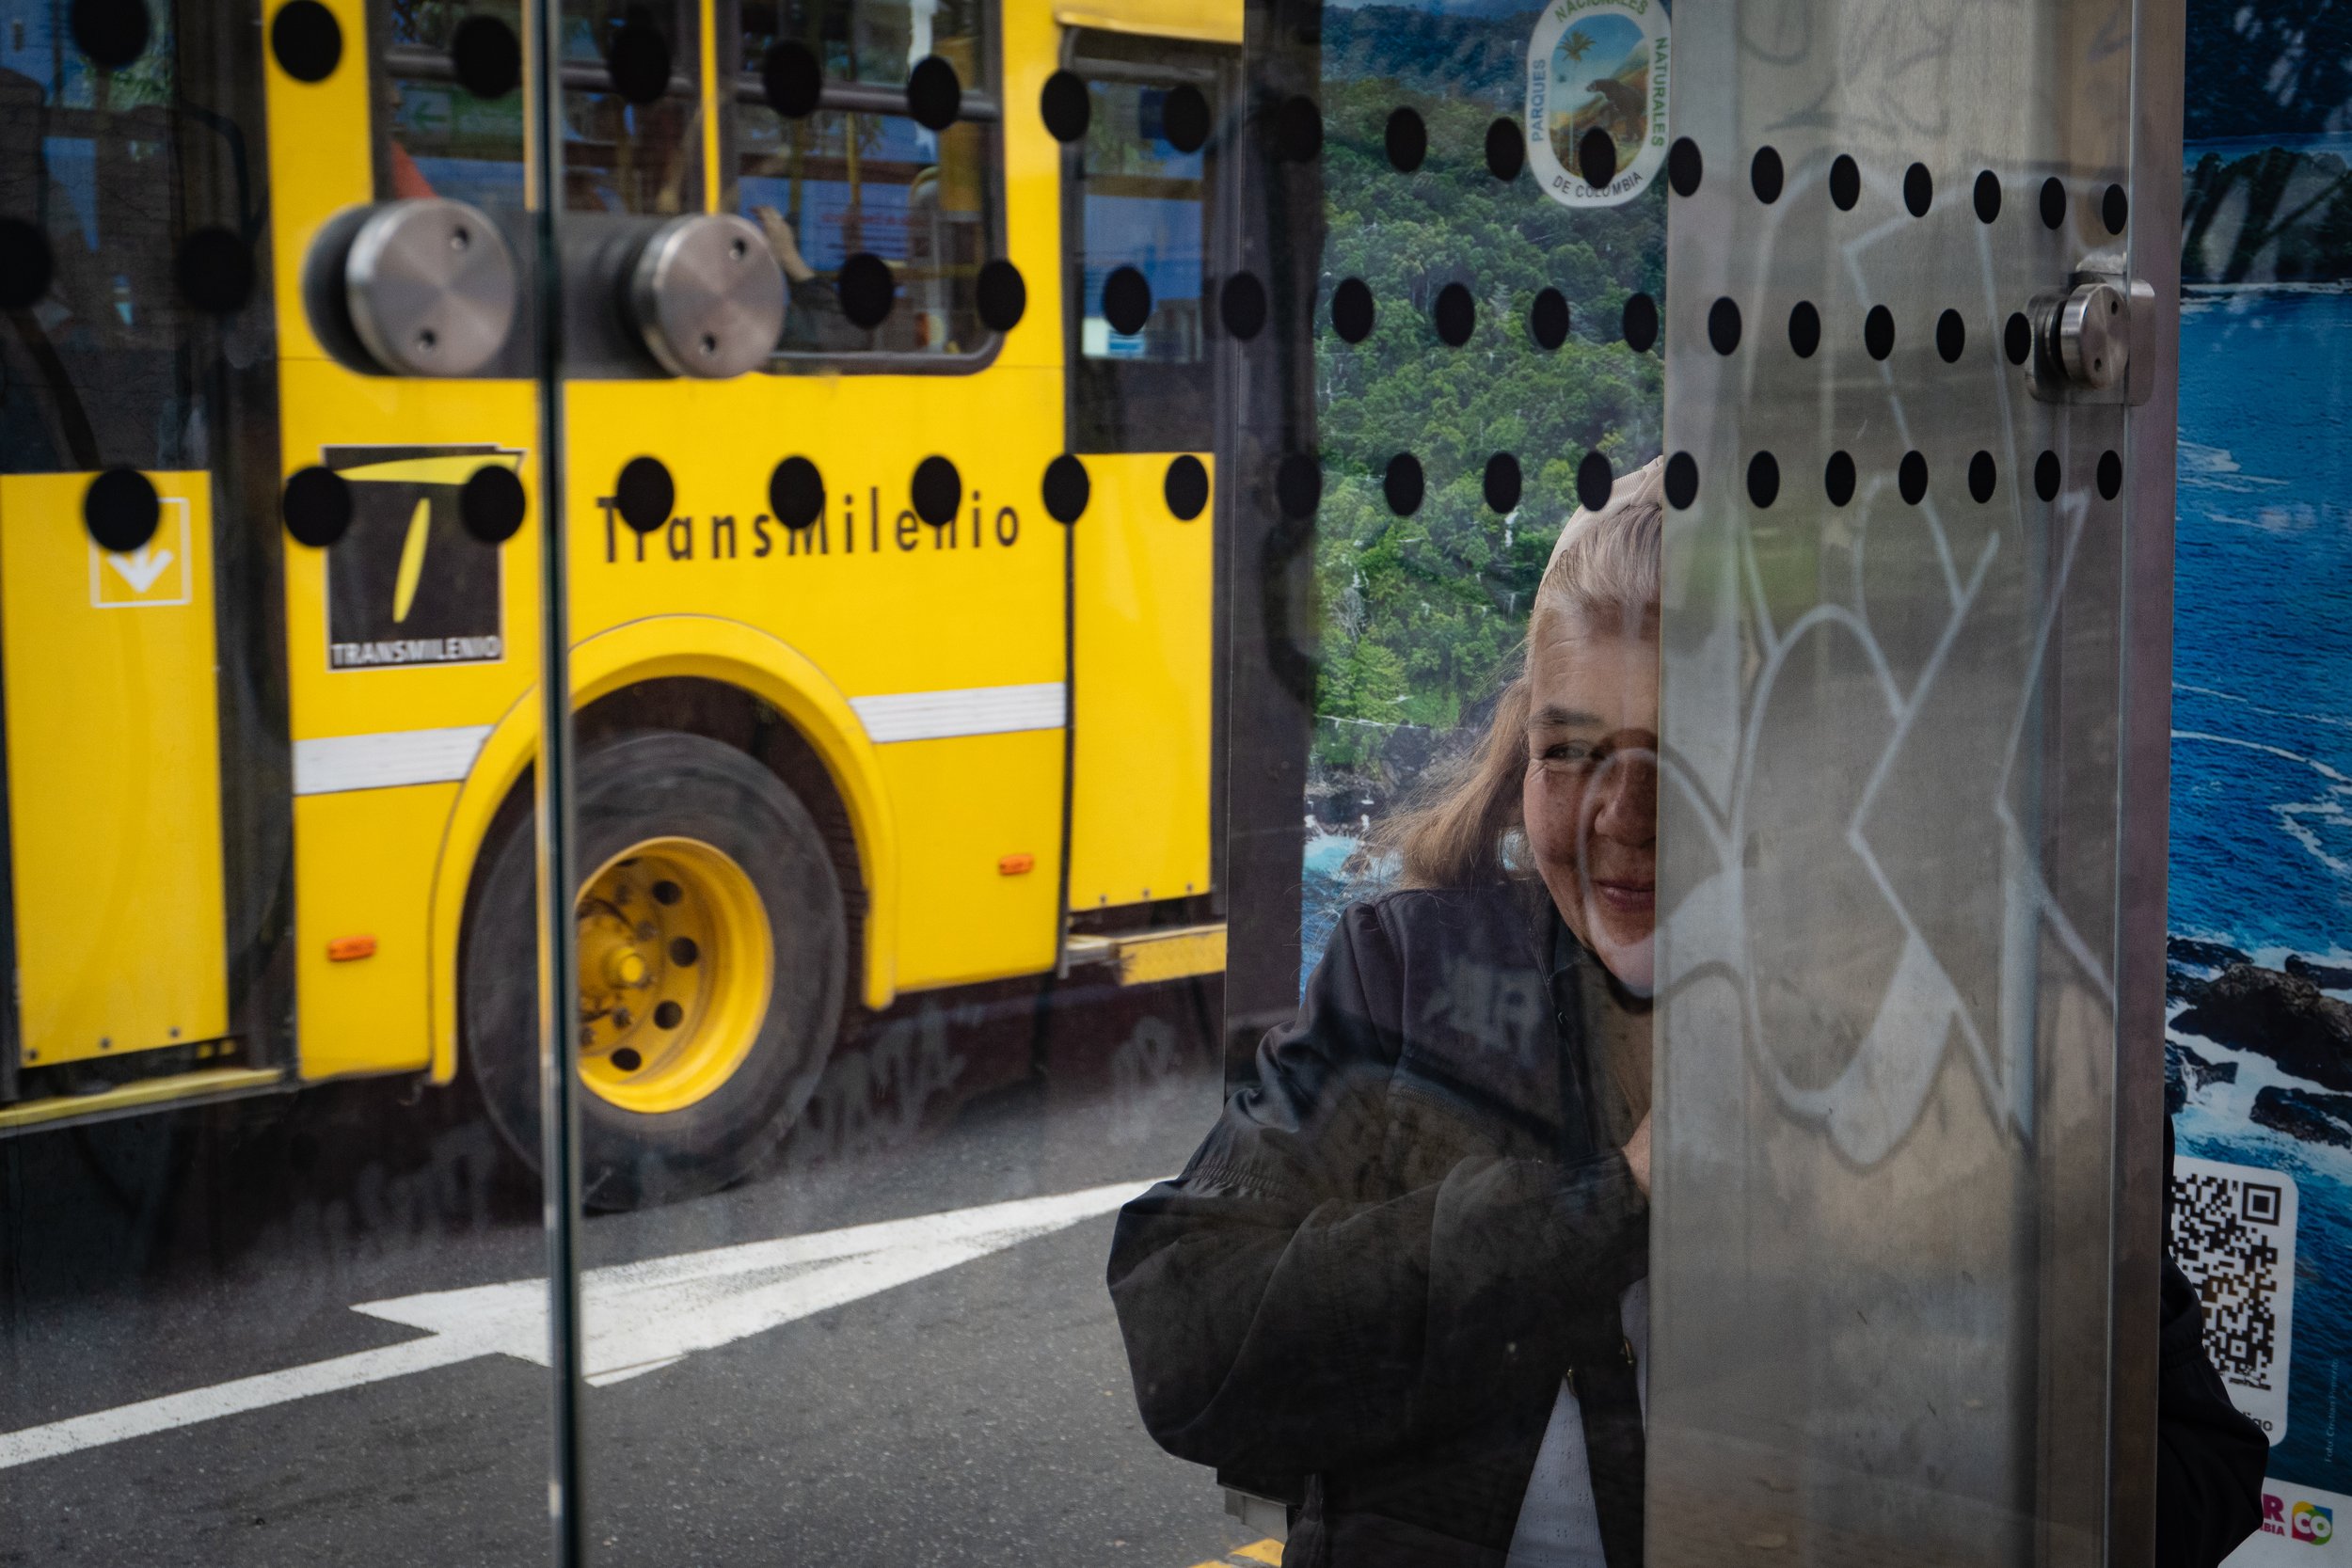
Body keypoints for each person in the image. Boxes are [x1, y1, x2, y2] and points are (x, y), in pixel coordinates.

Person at [1108, 458, 1668, 1566]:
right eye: (1569, 749)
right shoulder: (1412, 974)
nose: (1622, 814)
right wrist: (1621, 1198)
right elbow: (1186, 1329)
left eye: (1683, 751)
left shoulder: (1891, 1034)